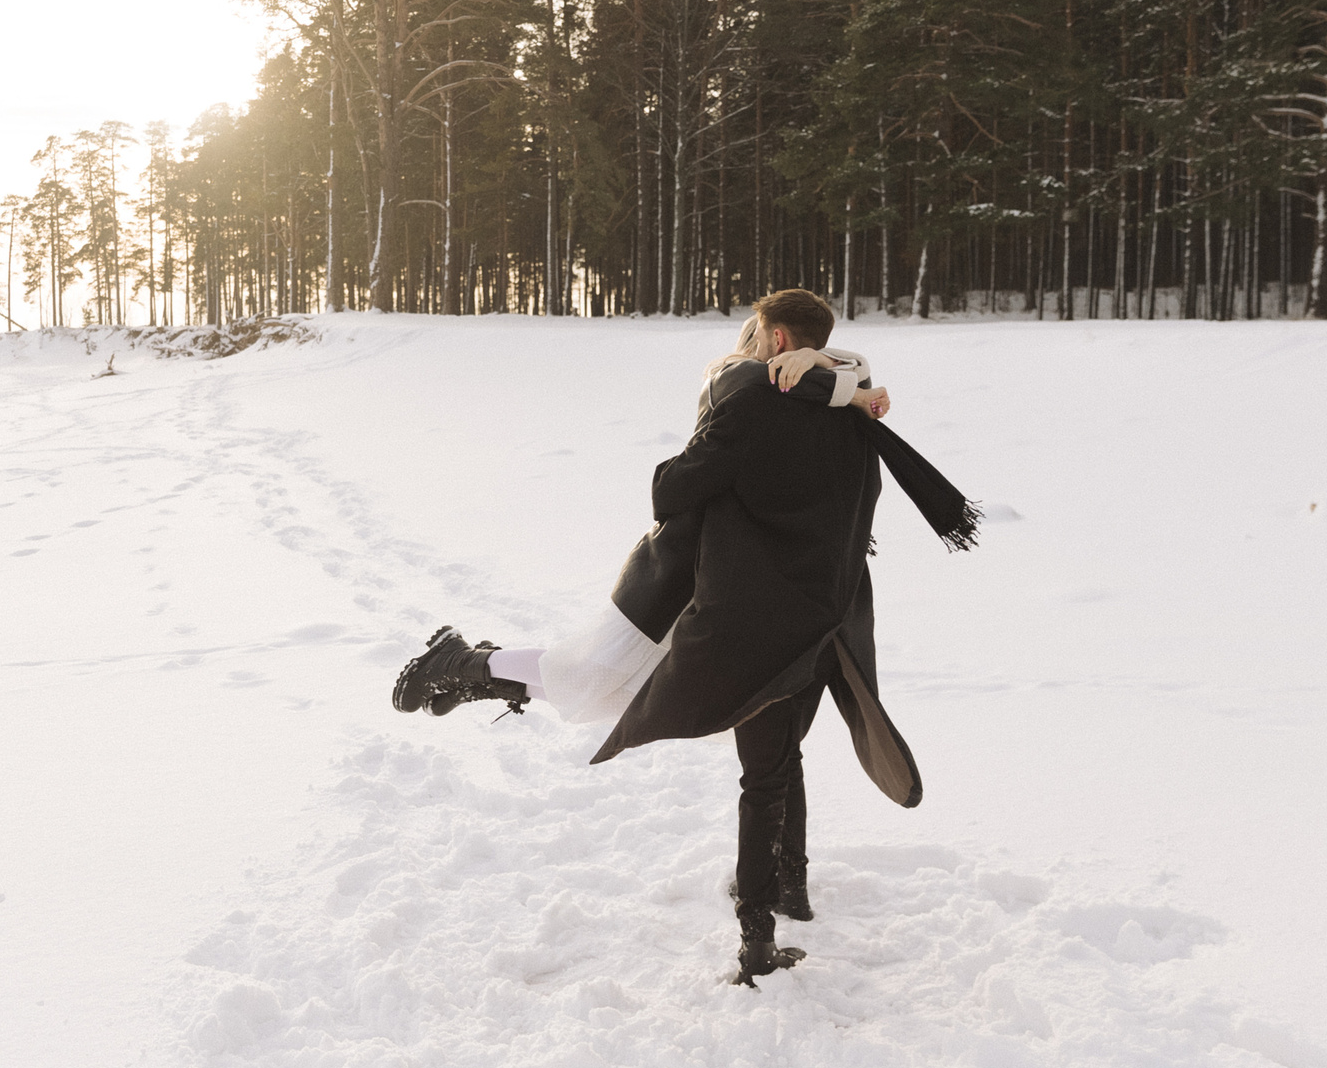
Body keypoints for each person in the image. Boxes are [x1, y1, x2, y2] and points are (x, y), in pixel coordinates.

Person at [390, 288, 979, 988]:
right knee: (732, 743)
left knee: (615, 693)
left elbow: (670, 491)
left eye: (758, 334)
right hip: (809, 626)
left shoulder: (767, 398)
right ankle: (782, 896)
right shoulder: (852, 415)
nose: (751, 345)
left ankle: (765, 927)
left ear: (779, 337)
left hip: (741, 618)